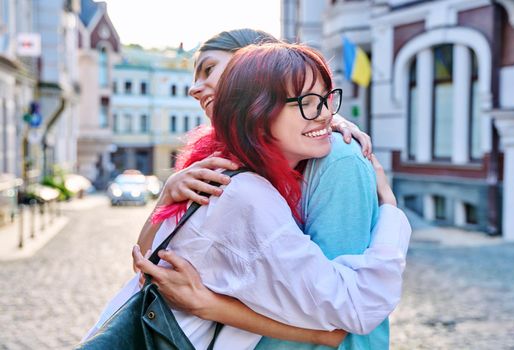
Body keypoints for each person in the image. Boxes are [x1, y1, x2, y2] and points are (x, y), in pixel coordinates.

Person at [83, 42, 410, 350]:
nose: (324, 114)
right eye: (308, 103)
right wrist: (390, 209)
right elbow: (356, 308)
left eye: (326, 100)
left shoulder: (227, 173)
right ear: (257, 113)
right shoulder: (245, 194)